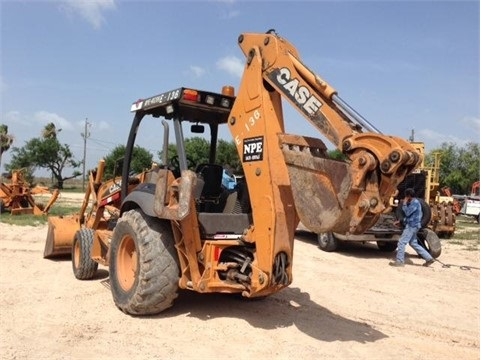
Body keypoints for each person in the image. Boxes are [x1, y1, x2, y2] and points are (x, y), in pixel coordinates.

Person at [389, 188, 435, 267]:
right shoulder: (413, 202)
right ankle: (428, 258)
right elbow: (410, 217)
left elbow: (407, 213)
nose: (405, 198)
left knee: (401, 242)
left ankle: (399, 261)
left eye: (406, 196)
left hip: (412, 226)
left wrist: (404, 204)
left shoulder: (415, 203)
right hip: (413, 225)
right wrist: (400, 221)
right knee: (413, 243)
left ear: (409, 196)